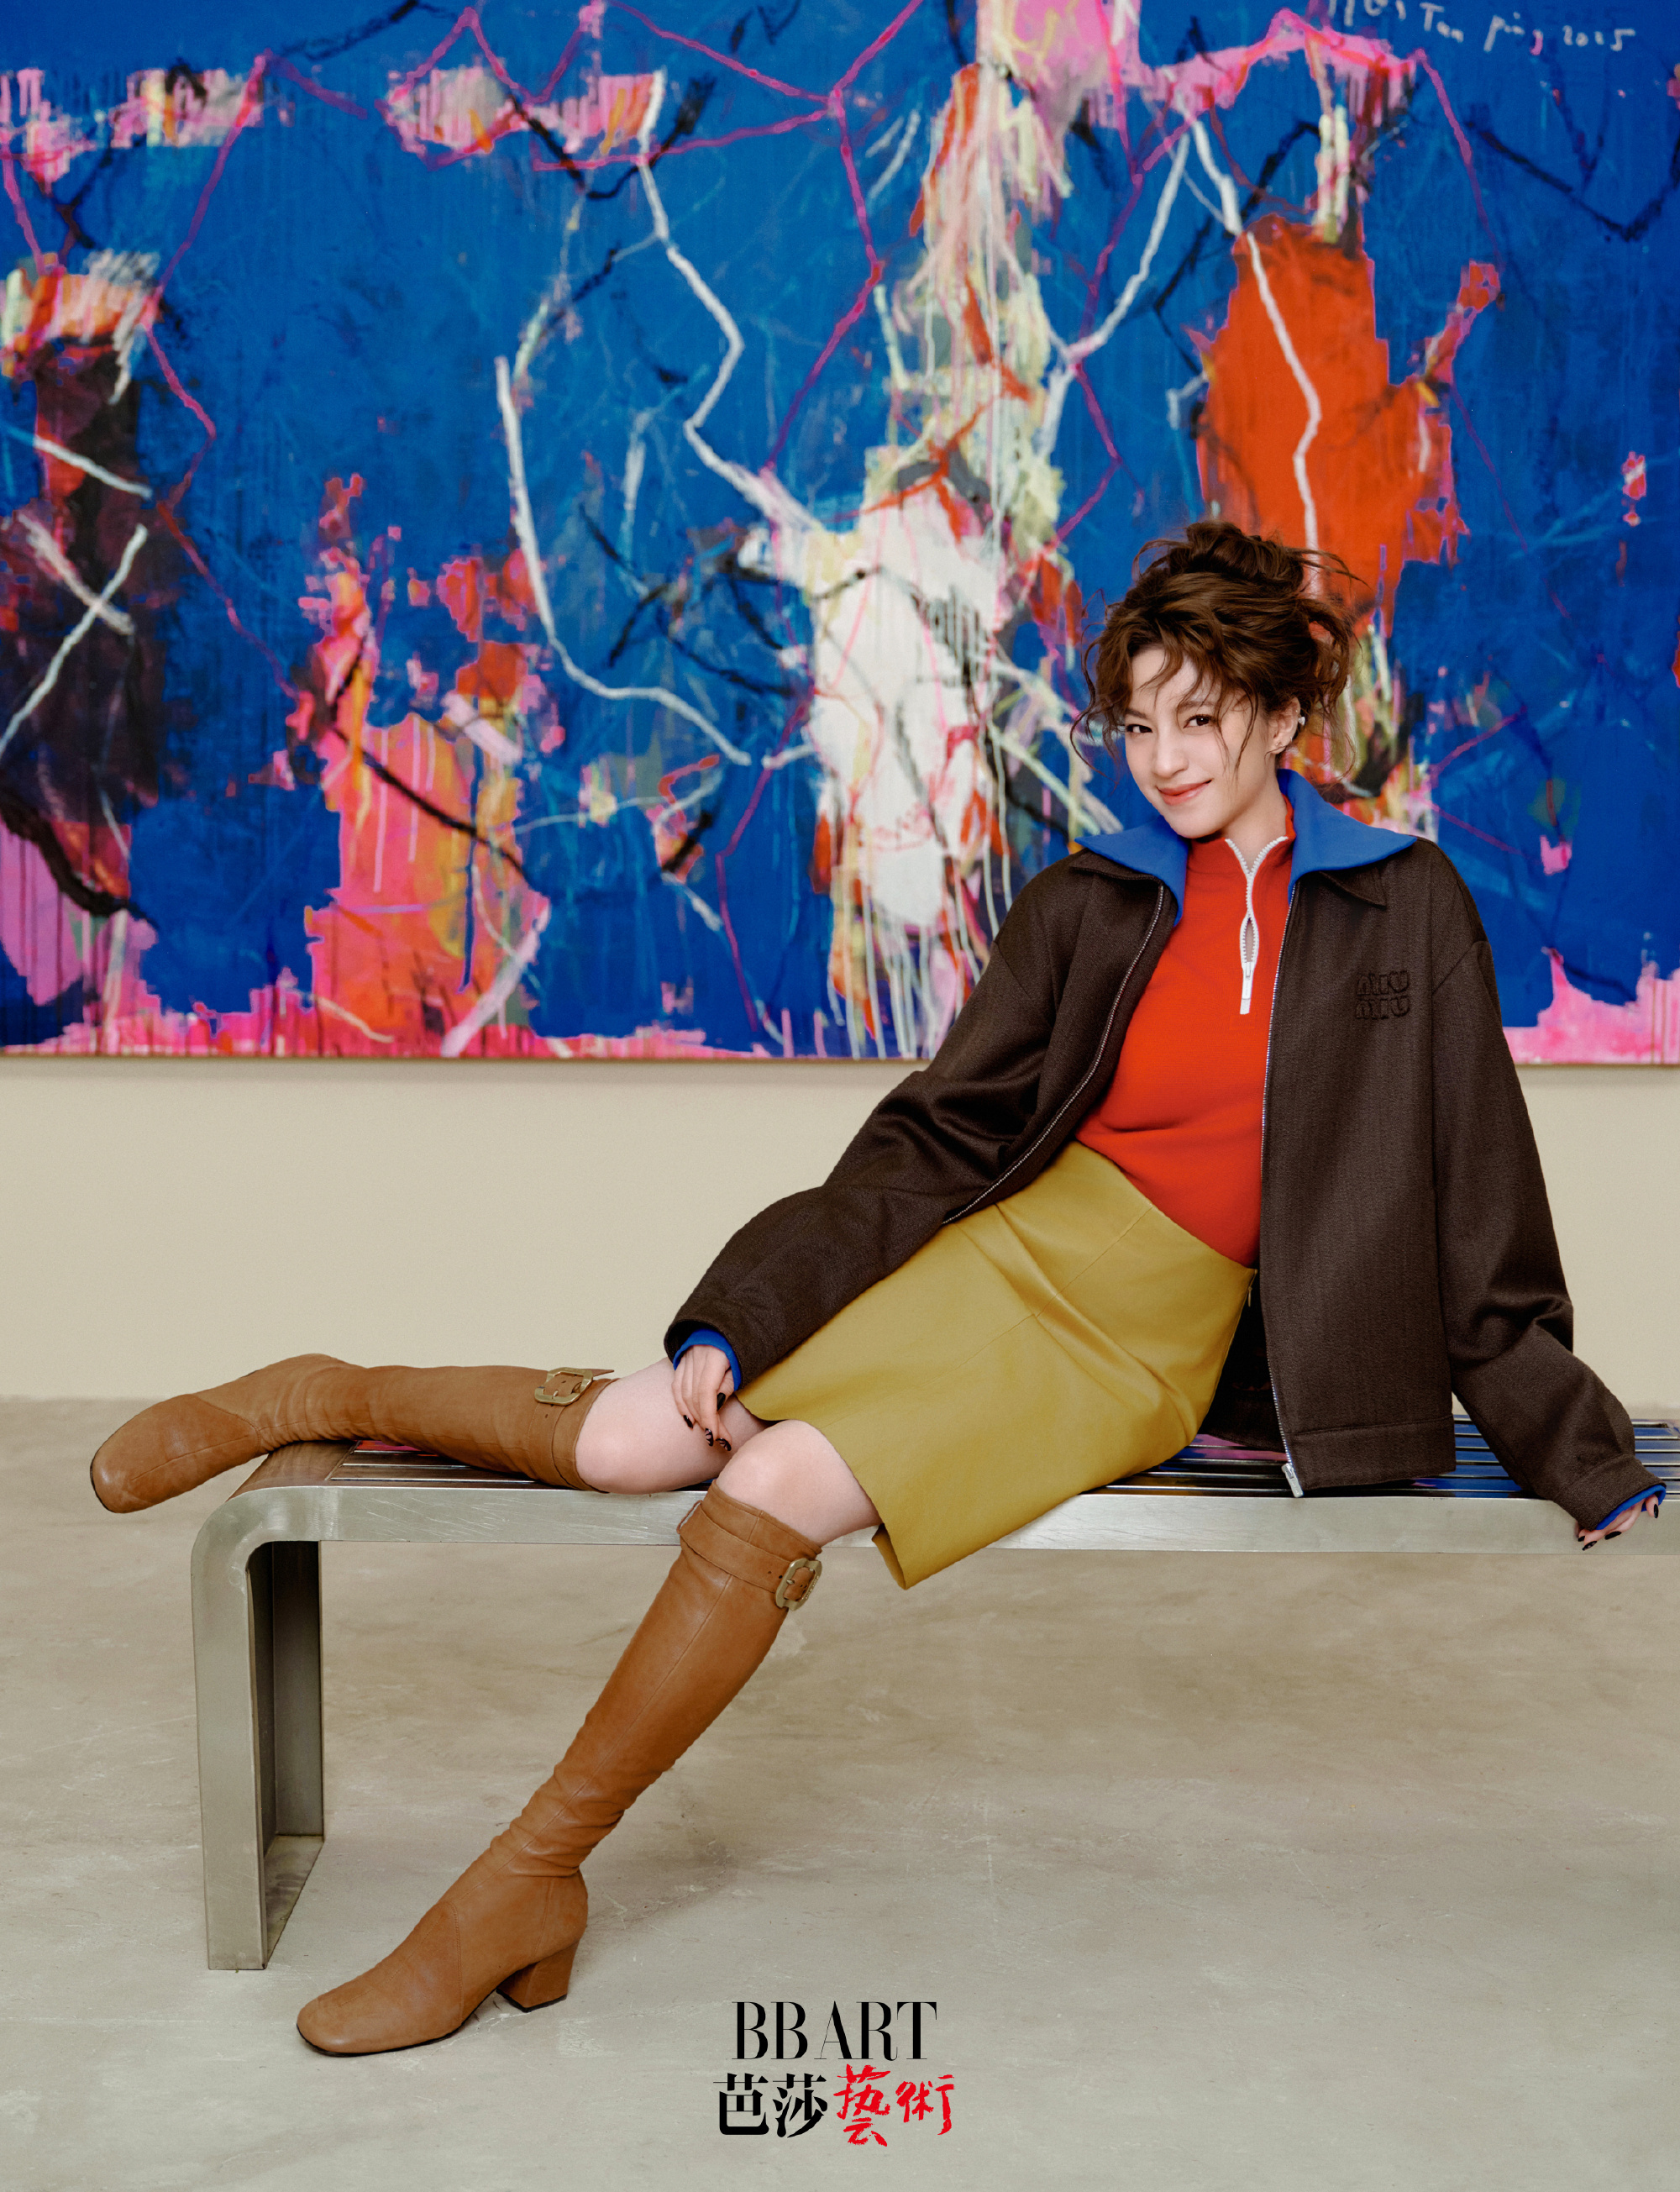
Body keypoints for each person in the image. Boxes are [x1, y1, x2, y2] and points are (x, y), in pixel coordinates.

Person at [90, 521, 1662, 2057]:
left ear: (1280, 712)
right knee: (639, 1438)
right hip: (1008, 1250)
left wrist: (1568, 1436)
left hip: (1142, 1334)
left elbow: (1477, 1183)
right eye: (1139, 726)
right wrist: (745, 1312)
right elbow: (939, 1132)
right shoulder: (1094, 900)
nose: (1167, 759)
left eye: (1202, 719)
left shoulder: (1405, 901)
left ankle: (523, 1879)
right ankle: (316, 1392)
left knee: (769, 1479)